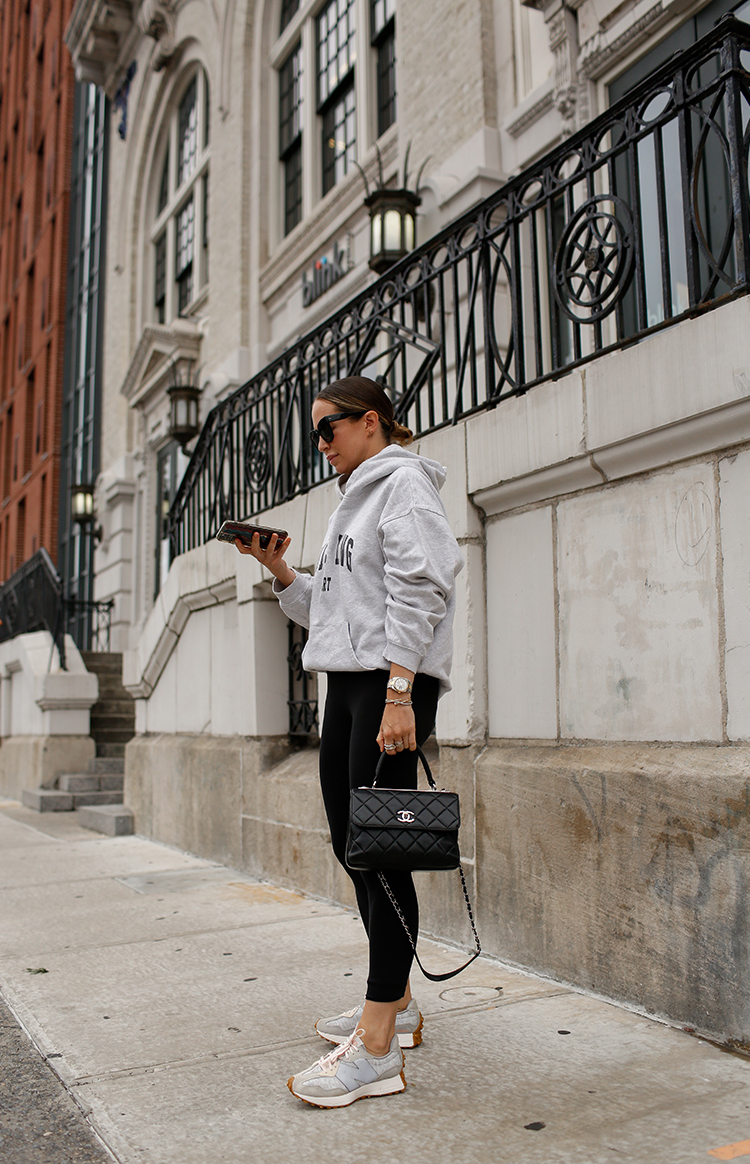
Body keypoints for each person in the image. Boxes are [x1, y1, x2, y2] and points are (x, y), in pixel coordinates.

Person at [233, 375, 463, 1108]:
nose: (320, 444)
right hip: (349, 683)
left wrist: (400, 692)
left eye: (327, 429)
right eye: (315, 433)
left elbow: (425, 587)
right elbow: (334, 615)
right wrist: (280, 573)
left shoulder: (403, 487)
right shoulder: (353, 500)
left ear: (370, 422)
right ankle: (394, 1001)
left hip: (387, 688)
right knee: (353, 843)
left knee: (379, 851)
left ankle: (376, 1048)